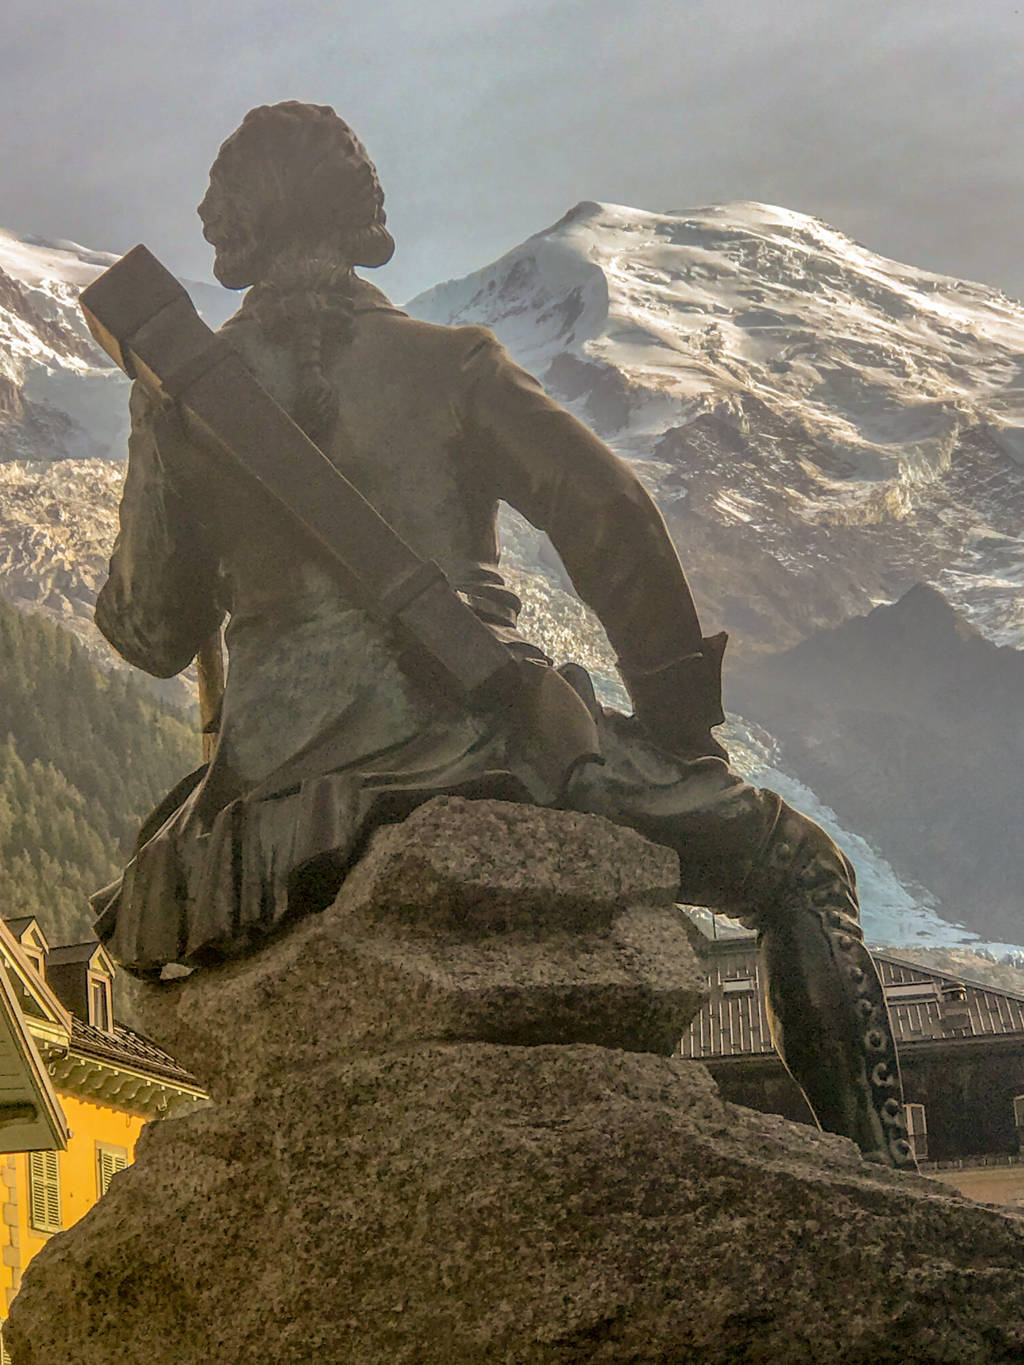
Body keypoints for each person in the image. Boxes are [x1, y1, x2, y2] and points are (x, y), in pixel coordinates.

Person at [92, 102, 914, 1169]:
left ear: (238, 230)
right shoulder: (452, 363)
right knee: (801, 868)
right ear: (356, 216)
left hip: (275, 790)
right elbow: (611, 516)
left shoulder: (181, 403)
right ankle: (887, 1175)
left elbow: (152, 632)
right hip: (481, 740)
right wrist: (679, 730)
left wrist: (168, 458)